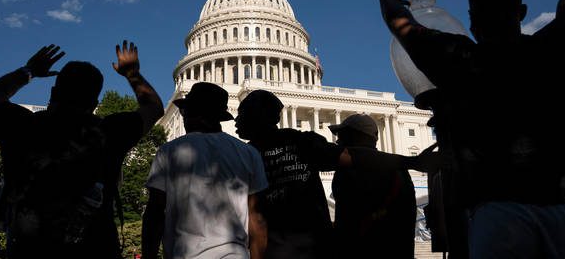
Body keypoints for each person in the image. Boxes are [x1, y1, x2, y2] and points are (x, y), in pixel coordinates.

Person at [379, 0, 565, 257]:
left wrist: (391, 0)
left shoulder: (458, 59)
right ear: (522, 11)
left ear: (470, 19)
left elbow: (402, 26)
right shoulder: (558, 48)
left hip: (498, 209)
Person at [0, 41, 164, 259]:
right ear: (95, 101)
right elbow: (153, 108)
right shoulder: (110, 132)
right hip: (97, 249)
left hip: (29, 250)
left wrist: (29, 71)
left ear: (54, 91)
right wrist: (132, 74)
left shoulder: (23, 127)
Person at [142, 82, 268, 259]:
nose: (183, 117)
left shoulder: (169, 152)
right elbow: (257, 220)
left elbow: (155, 213)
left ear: (193, 113)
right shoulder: (248, 153)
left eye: (185, 112)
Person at [235, 90, 342, 259]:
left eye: (241, 113)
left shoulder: (245, 156)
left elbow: (256, 220)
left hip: (280, 250)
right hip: (316, 247)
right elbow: (346, 158)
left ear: (257, 116)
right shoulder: (303, 141)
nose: (236, 120)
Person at [329, 114, 416, 259]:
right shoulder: (399, 170)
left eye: (343, 135)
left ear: (357, 137)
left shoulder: (349, 172)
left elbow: (348, 221)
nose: (338, 141)